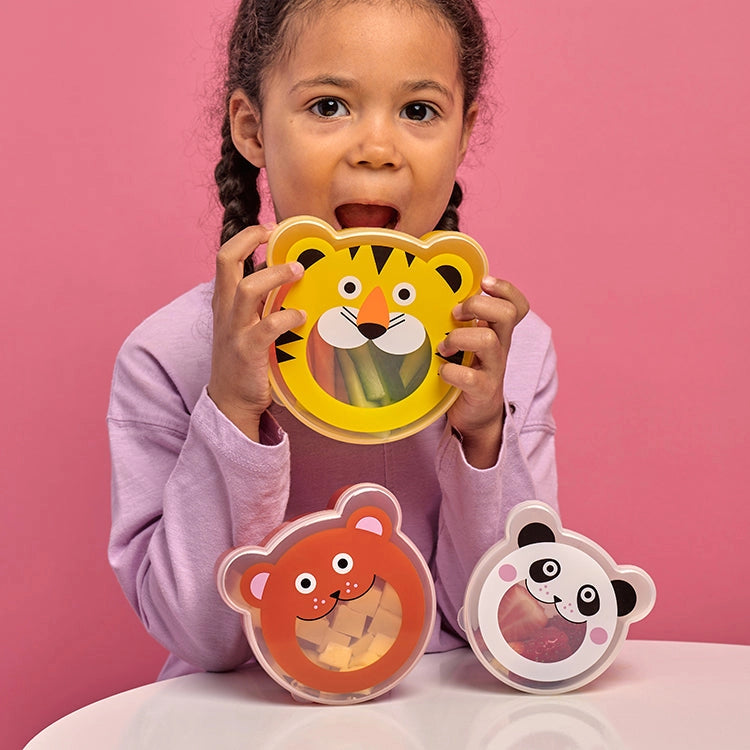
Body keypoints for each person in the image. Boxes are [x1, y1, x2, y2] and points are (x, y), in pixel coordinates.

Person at [108, 0, 558, 680]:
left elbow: (509, 616)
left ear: (464, 135)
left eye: (418, 111)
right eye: (328, 106)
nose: (376, 150)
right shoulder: (168, 354)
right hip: (244, 720)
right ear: (253, 130)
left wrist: (484, 437)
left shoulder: (509, 350)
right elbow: (202, 635)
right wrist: (230, 407)